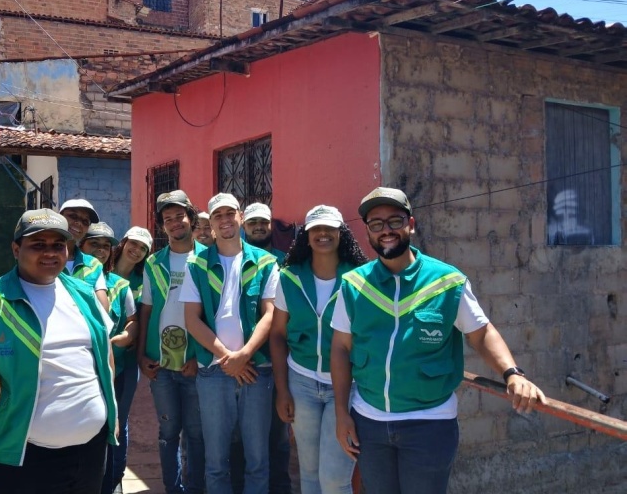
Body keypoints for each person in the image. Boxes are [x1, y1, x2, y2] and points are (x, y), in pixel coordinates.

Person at [330, 187, 548, 494]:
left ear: (411, 224)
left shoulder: (446, 282)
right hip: (369, 421)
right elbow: (341, 348)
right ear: (367, 231)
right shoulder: (354, 285)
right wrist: (342, 413)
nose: (386, 230)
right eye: (376, 224)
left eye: (395, 221)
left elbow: (481, 333)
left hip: (429, 425)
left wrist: (512, 374)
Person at [0, 208, 116, 494]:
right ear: (16, 249)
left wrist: (112, 412)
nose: (49, 253)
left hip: (90, 450)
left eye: (57, 245)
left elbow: (103, 349)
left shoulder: (83, 294)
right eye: (38, 245)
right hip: (22, 457)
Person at [181, 192, 280, 494]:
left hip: (257, 369)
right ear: (210, 223)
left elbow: (270, 314)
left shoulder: (266, 262)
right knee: (216, 461)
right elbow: (192, 319)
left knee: (258, 459)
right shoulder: (196, 264)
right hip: (213, 371)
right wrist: (228, 358)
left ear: (240, 216)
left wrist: (244, 355)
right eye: (217, 215)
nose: (224, 220)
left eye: (229, 213)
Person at [271, 205, 368, 494]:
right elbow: (277, 334)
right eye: (316, 229)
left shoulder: (359, 279)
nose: (323, 234)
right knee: (310, 474)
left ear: (341, 233)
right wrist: (282, 390)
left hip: (347, 386)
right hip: (301, 383)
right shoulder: (289, 277)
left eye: (330, 228)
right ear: (306, 235)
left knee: (335, 479)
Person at [138, 191, 206, 494]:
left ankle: (196, 488)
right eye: (168, 219)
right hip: (160, 364)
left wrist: (200, 356)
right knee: (168, 432)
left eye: (180, 216)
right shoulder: (154, 263)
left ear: (191, 218)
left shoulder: (207, 259)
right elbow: (146, 310)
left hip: (194, 364)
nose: (175, 222)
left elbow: (213, 314)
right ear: (162, 226)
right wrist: (141, 355)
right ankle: (173, 488)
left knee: (196, 433)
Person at [232, 201, 289, 494]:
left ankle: (279, 487)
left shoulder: (285, 261)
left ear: (270, 225)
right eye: (252, 222)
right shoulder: (234, 260)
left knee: (278, 433)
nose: (258, 227)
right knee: (241, 434)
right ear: (244, 225)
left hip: (278, 359)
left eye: (263, 223)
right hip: (242, 362)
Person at [81, 222, 139, 494]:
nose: (101, 250)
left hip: (117, 370)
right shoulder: (68, 280)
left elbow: (132, 320)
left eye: (106, 246)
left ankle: (113, 481)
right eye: (94, 244)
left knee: (116, 424)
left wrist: (127, 335)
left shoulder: (120, 285)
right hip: (82, 372)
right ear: (81, 245)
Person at [59, 198, 110, 311]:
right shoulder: (44, 257)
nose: (79, 223)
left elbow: (102, 310)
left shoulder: (93, 265)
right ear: (60, 217)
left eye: (85, 221)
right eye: (73, 216)